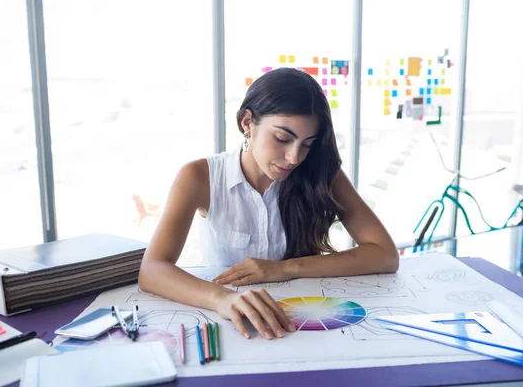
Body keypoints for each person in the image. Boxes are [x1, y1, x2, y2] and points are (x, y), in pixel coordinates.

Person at [138, 67, 398, 341]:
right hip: (234, 327)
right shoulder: (199, 177)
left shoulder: (321, 174)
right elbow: (152, 270)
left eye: (307, 144)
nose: (294, 157)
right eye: (282, 139)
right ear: (247, 123)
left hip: (306, 321)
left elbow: (385, 254)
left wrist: (284, 268)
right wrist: (223, 300)